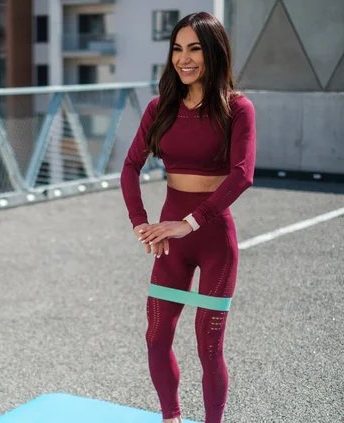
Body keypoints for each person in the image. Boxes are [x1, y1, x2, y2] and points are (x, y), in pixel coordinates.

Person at [120, 11, 256, 423]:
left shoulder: (238, 108)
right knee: (156, 338)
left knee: (208, 345)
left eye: (194, 48)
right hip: (170, 241)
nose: (184, 58)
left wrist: (190, 222)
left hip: (214, 240)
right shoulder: (160, 107)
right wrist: (141, 223)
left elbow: (242, 175)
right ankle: (171, 417)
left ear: (214, 52)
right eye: (177, 49)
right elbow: (130, 167)